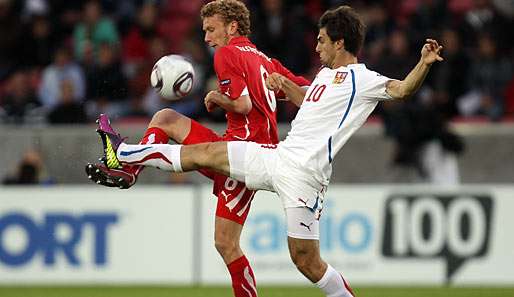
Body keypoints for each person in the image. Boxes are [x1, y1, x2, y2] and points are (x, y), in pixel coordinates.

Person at [87, 5, 443, 297]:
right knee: (206, 154)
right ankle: (126, 155)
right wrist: (286, 84)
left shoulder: (364, 79)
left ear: (339, 42)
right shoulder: (321, 76)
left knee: (306, 261)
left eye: (321, 42)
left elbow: (401, 90)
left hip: (307, 177)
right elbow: (308, 101)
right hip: (276, 156)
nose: (316, 49)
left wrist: (423, 65)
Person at [88, 1, 309, 297]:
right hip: (248, 151)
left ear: (232, 27)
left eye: (211, 29)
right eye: (204, 30)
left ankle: (126, 160)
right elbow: (306, 92)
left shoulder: (227, 53)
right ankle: (129, 169)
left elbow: (241, 104)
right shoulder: (264, 60)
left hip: (241, 157)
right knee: (165, 118)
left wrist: (217, 97)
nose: (206, 38)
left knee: (225, 243)